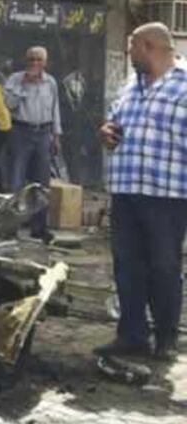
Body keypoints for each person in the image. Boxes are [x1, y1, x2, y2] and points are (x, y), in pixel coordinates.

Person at [96, 23, 187, 361]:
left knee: (164, 266)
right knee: (127, 265)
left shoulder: (184, 85)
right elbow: (112, 123)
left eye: (131, 46)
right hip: (125, 191)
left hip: (168, 195)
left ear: (149, 46)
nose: (128, 53)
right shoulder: (131, 86)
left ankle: (166, 339)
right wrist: (106, 131)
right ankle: (132, 335)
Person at [3, 46, 61, 242]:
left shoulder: (50, 82)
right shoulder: (15, 79)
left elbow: (55, 110)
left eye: (39, 60)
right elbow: (9, 105)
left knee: (42, 183)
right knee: (16, 181)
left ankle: (39, 227)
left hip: (44, 133)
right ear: (26, 62)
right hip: (21, 131)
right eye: (31, 60)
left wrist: (56, 136)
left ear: (45, 63)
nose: (35, 64)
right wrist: (24, 86)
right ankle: (11, 227)